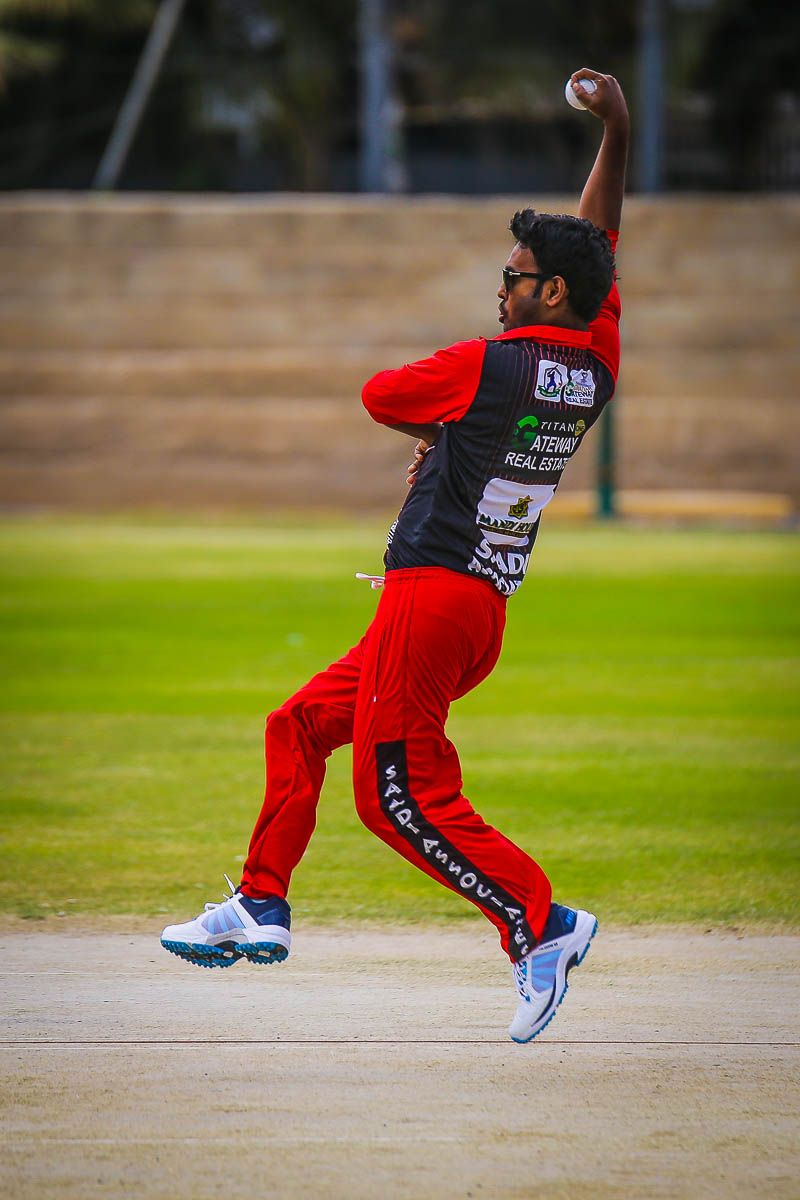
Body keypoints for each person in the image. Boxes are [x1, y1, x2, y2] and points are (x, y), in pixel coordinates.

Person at [161, 69, 630, 1044]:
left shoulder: (483, 363)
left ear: (549, 291)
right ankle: (260, 901)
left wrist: (443, 425)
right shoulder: (595, 363)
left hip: (432, 595)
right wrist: (614, 135)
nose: (500, 286)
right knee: (298, 725)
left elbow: (380, 394)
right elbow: (601, 245)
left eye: (513, 275)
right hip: (476, 609)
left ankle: (540, 923)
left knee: (397, 799)